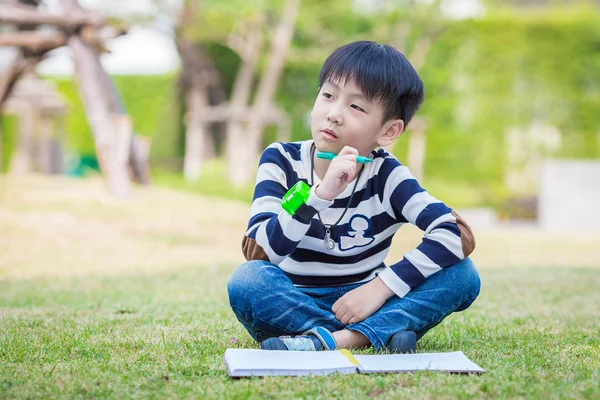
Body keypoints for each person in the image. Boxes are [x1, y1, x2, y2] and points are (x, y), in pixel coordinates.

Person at [227, 40, 480, 353]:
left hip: (369, 298)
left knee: (463, 275)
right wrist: (318, 196)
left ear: (387, 131)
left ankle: (326, 342)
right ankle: (373, 334)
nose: (334, 114)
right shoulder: (281, 159)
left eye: (356, 107)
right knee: (247, 281)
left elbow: (458, 233)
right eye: (328, 95)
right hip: (297, 297)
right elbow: (258, 253)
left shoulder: (387, 176)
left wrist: (381, 287)